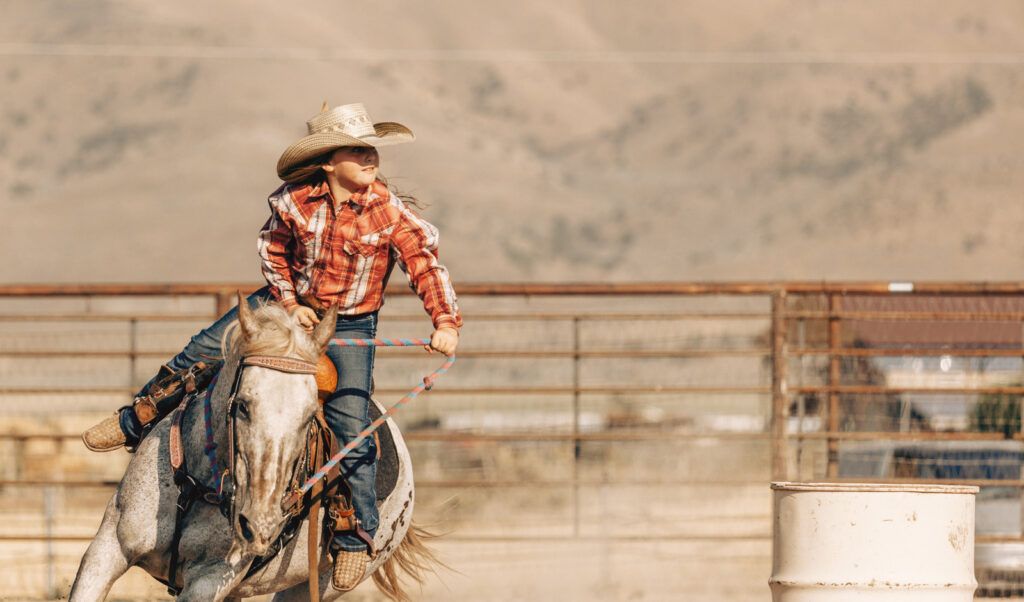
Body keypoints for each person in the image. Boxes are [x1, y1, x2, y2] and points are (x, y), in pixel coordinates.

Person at [81, 102, 462, 590]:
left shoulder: (388, 211)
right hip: (283, 304)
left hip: (348, 323)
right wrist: (286, 300)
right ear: (328, 161)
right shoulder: (294, 201)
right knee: (201, 352)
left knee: (349, 416)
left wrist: (445, 321)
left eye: (372, 150)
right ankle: (137, 417)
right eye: (358, 149)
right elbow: (272, 248)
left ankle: (353, 531)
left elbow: (425, 263)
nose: (370, 157)